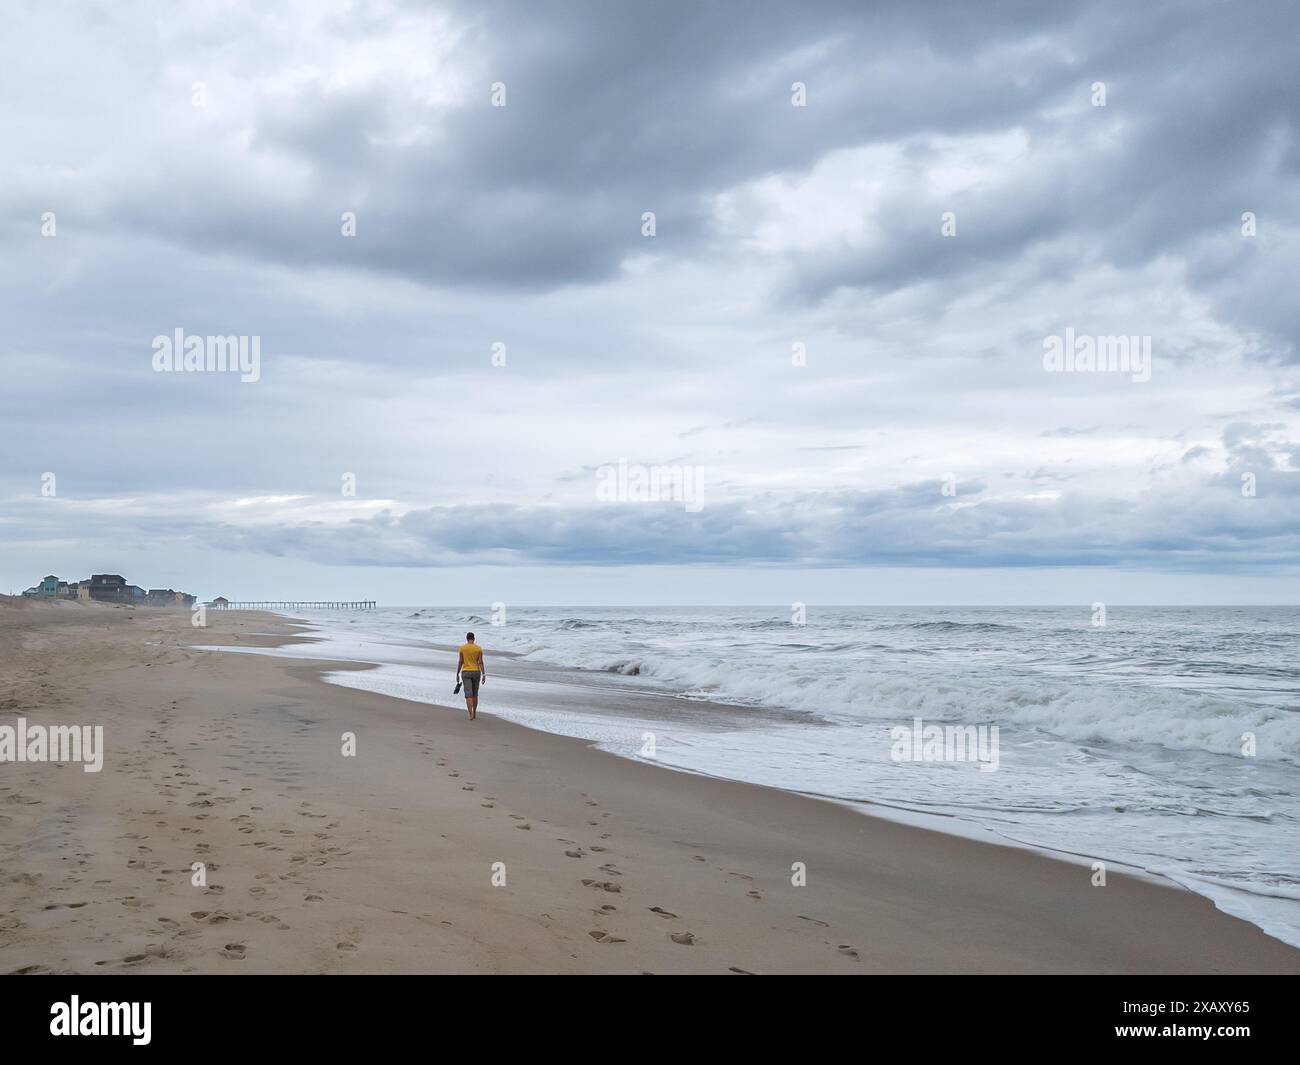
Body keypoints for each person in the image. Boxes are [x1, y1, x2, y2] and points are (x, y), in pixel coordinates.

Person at [456, 632, 486, 720]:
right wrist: (484, 674)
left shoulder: (462, 648)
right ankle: (475, 713)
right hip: (476, 672)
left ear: (466, 638)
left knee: (468, 694)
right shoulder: (478, 648)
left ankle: (470, 715)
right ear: (474, 638)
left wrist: (457, 673)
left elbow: (460, 661)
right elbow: (480, 662)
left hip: (466, 672)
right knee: (475, 694)